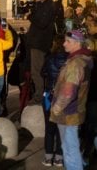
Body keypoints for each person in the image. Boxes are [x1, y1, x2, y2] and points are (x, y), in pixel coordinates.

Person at [50, 29, 93, 170]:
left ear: (77, 43)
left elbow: (68, 92)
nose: (63, 44)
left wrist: (55, 109)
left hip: (68, 113)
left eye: (67, 41)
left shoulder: (76, 64)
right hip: (75, 111)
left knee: (69, 149)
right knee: (70, 146)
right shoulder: (81, 59)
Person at [26, 0, 55, 105]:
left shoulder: (48, 6)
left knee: (36, 71)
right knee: (36, 71)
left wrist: (30, 16)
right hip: (37, 42)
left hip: (39, 43)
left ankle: (39, 97)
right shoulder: (43, 5)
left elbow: (42, 23)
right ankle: (40, 95)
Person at [41, 35, 67, 167]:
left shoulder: (49, 58)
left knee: (49, 128)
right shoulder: (70, 60)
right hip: (64, 98)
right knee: (61, 129)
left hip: (49, 95)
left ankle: (48, 157)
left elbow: (42, 73)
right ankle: (59, 157)